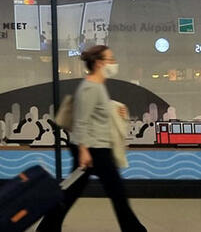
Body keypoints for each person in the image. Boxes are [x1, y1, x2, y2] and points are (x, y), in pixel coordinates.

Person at [37, 45, 146, 232]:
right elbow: (81, 121)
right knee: (117, 193)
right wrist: (83, 150)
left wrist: (117, 110)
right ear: (98, 63)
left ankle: (47, 227)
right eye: (110, 60)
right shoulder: (90, 88)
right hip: (93, 150)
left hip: (95, 148)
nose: (114, 63)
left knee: (74, 192)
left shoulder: (97, 86)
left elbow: (96, 113)